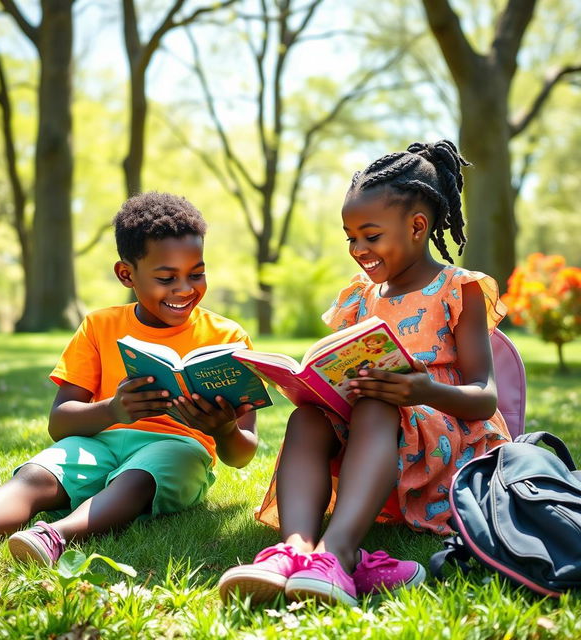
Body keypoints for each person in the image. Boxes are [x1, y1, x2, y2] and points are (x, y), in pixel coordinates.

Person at [219, 140, 511, 607]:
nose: (358, 249)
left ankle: (337, 554)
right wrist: (315, 388)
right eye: (350, 237)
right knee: (308, 419)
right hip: (370, 438)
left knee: (377, 403)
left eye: (370, 236)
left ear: (417, 226)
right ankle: (294, 551)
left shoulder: (460, 289)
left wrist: (424, 389)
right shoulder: (360, 295)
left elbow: (486, 396)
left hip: (444, 441)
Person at [0, 191, 258, 568]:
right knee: (36, 475)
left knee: (141, 475)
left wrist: (222, 430)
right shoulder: (100, 325)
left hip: (178, 448)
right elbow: (60, 423)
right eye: (166, 277)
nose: (185, 288)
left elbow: (242, 454)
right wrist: (114, 409)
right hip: (102, 441)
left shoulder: (228, 338)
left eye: (197, 273)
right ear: (127, 274)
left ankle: (56, 536)